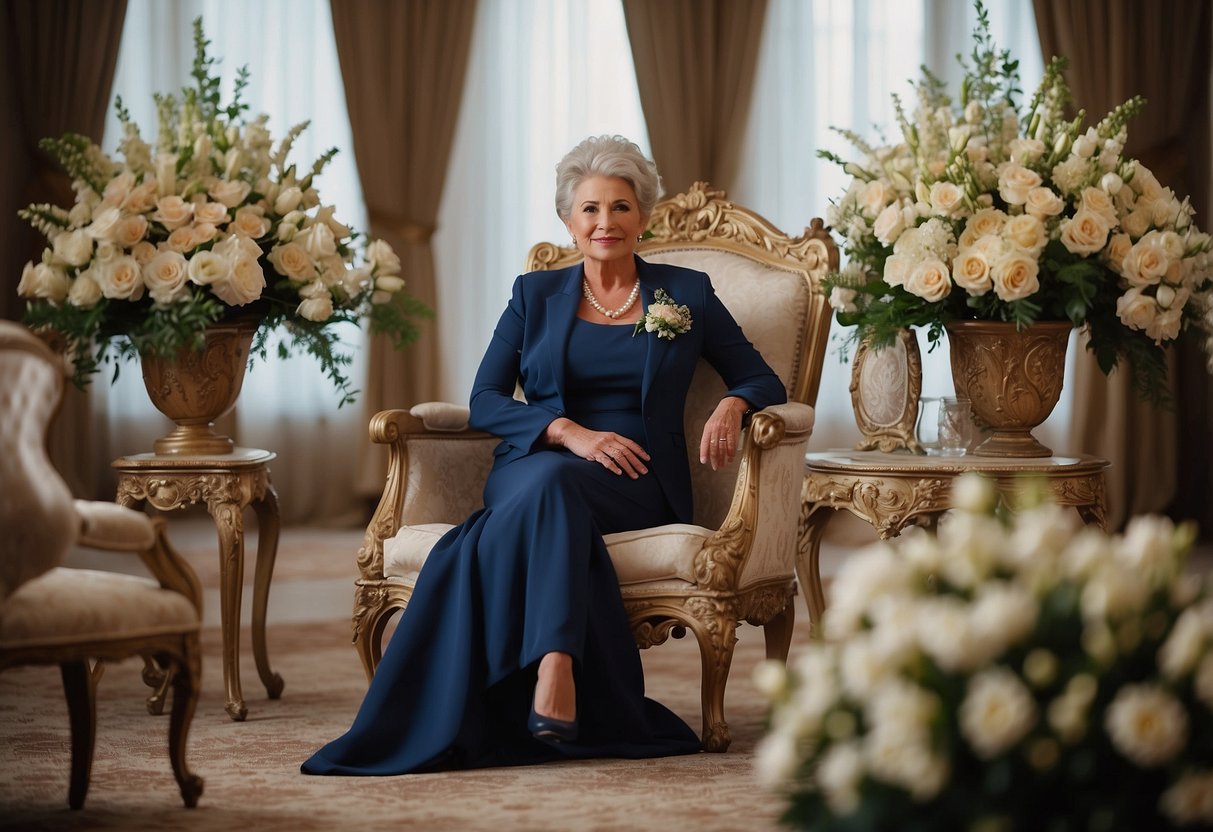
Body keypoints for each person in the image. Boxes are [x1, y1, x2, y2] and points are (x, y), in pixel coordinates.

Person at [302, 135, 787, 775]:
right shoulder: (534, 295)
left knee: (550, 496)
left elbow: (762, 379)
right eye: (589, 209)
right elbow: (484, 398)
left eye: (619, 207)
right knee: (553, 485)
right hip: (535, 464)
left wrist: (730, 407)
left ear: (642, 215)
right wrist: (567, 432)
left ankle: (548, 667)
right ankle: (557, 664)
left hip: (636, 481)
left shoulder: (686, 293)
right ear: (568, 219)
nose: (604, 223)